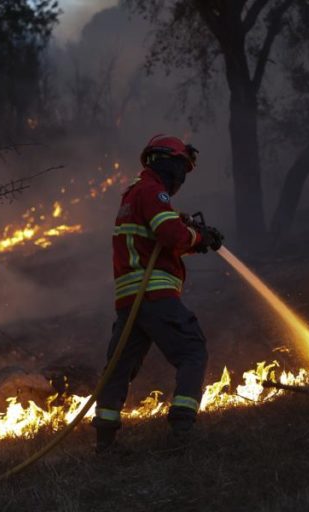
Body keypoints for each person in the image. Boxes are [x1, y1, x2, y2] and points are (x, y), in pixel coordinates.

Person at [92, 134, 224, 453]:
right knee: (192, 350)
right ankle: (182, 430)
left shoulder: (134, 195)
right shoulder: (152, 191)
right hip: (153, 294)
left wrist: (193, 238)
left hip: (131, 302)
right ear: (166, 161)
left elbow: (158, 242)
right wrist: (197, 237)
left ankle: (105, 442)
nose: (181, 176)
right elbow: (169, 234)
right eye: (181, 166)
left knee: (119, 368)